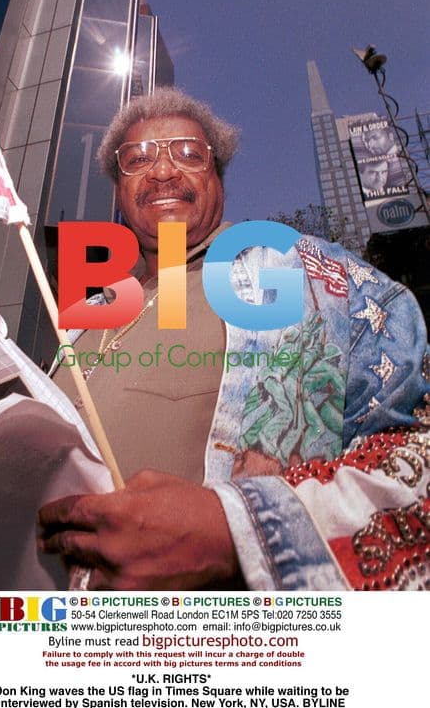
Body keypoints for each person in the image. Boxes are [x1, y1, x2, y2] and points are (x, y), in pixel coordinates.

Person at [38, 88, 429, 591]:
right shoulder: (82, 317)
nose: (162, 172)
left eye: (187, 153)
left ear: (216, 175)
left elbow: (415, 447)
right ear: (118, 188)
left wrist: (239, 531)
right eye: (138, 159)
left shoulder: (308, 276)